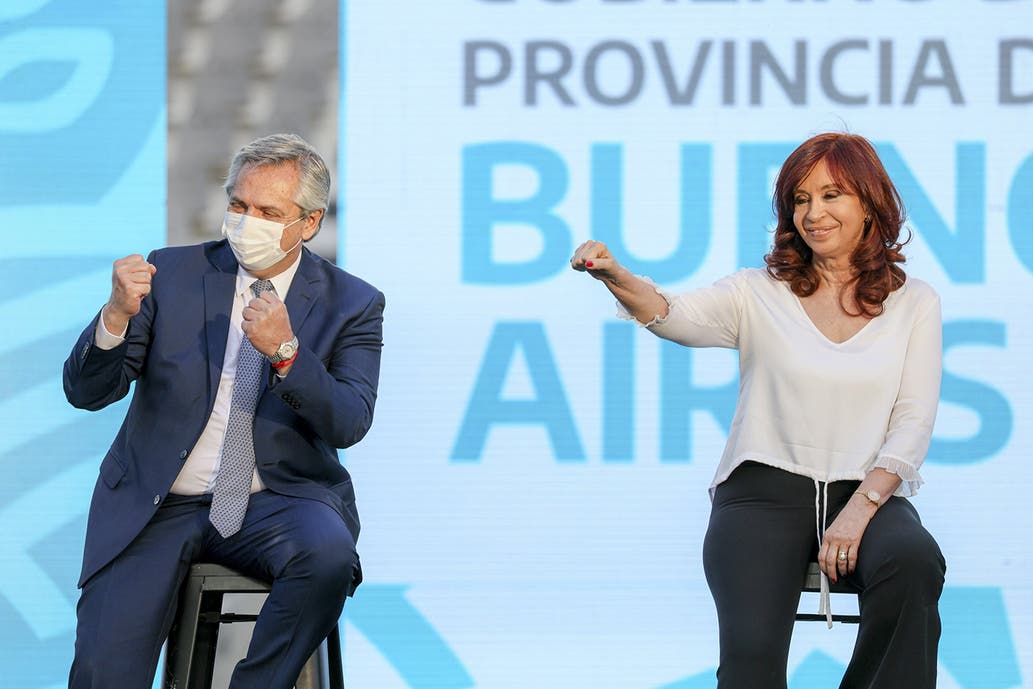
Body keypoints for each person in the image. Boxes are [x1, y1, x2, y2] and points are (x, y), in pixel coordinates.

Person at [571, 132, 945, 688]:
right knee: (750, 657)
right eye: (800, 200)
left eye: (831, 195)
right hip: (761, 492)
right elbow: (675, 315)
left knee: (913, 561)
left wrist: (862, 507)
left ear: (869, 203)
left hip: (866, 492)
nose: (813, 213)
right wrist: (615, 277)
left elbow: (913, 421)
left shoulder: (914, 301)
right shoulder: (757, 291)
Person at [63, 133, 385, 689]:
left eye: (268, 213)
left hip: (276, 501)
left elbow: (349, 420)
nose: (246, 222)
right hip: (158, 502)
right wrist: (114, 316)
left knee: (327, 556)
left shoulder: (353, 302)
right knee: (103, 673)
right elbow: (86, 393)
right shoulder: (172, 274)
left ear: (309, 223)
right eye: (238, 205)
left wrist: (288, 355)